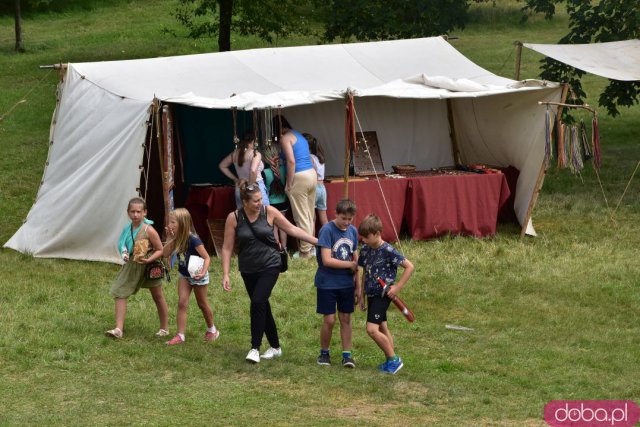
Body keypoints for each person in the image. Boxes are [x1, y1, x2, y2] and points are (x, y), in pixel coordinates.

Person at [221, 180, 318, 363]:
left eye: (260, 199)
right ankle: (275, 347)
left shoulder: (269, 212)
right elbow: (226, 248)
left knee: (257, 302)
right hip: (248, 268)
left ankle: (254, 348)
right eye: (255, 201)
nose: (260, 203)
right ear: (245, 202)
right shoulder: (234, 218)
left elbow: (292, 229)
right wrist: (225, 274)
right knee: (262, 305)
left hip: (270, 264)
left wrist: (316, 241)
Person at [357, 214, 414, 374]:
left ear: (377, 233)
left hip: (383, 294)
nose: (364, 240)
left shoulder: (388, 250)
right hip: (371, 294)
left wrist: (397, 287)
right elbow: (365, 272)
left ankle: (394, 359)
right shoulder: (366, 250)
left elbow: (409, 266)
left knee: (372, 330)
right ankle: (391, 359)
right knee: (382, 327)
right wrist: (362, 295)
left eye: (366, 237)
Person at [106, 197, 169, 339]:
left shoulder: (149, 230)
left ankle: (164, 328)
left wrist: (149, 259)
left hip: (150, 267)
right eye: (132, 211)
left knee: (158, 296)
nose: (135, 214)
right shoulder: (126, 229)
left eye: (139, 211)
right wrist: (125, 253)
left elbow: (160, 250)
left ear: (145, 212)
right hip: (132, 265)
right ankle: (118, 329)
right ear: (128, 213)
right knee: (120, 291)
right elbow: (122, 244)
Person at [162, 208, 219, 345]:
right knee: (182, 303)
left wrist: (203, 272)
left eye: (173, 222)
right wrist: (169, 238)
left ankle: (212, 329)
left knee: (202, 303)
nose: (169, 225)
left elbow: (207, 258)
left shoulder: (193, 239)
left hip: (198, 275)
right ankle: (180, 335)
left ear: (182, 223)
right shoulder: (176, 238)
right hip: (184, 275)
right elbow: (164, 254)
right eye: (169, 222)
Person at [314, 199, 359, 368]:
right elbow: (326, 260)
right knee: (330, 320)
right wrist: (350, 265)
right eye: (343, 218)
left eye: (350, 219)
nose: (346, 223)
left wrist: (358, 287)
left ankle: (347, 355)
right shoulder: (327, 230)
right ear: (336, 214)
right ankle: (324, 353)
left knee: (346, 318)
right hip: (327, 283)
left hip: (346, 283)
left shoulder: (352, 231)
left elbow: (355, 258)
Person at [272, 114, 317, 259]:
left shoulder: (285, 138)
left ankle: (305, 252)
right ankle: (311, 248)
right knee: (310, 214)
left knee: (301, 216)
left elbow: (291, 161)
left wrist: (289, 183)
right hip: (311, 174)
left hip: (299, 176)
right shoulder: (298, 135)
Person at [219, 131, 269, 209]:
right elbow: (253, 170)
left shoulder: (235, 153)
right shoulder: (255, 154)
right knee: (264, 214)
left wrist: (235, 179)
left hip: (240, 187)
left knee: (242, 216)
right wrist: (251, 186)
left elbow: (222, 166)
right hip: (256, 187)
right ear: (254, 141)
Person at [262, 153, 290, 252]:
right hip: (283, 202)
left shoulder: (265, 172)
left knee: (274, 228)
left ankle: (277, 249)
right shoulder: (284, 169)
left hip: (272, 203)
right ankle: (285, 248)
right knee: (283, 227)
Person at [305, 133, 328, 227]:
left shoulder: (309, 158)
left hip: (314, 187)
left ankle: (311, 240)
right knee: (324, 218)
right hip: (322, 188)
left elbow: (312, 174)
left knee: (312, 218)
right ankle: (328, 239)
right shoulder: (320, 157)